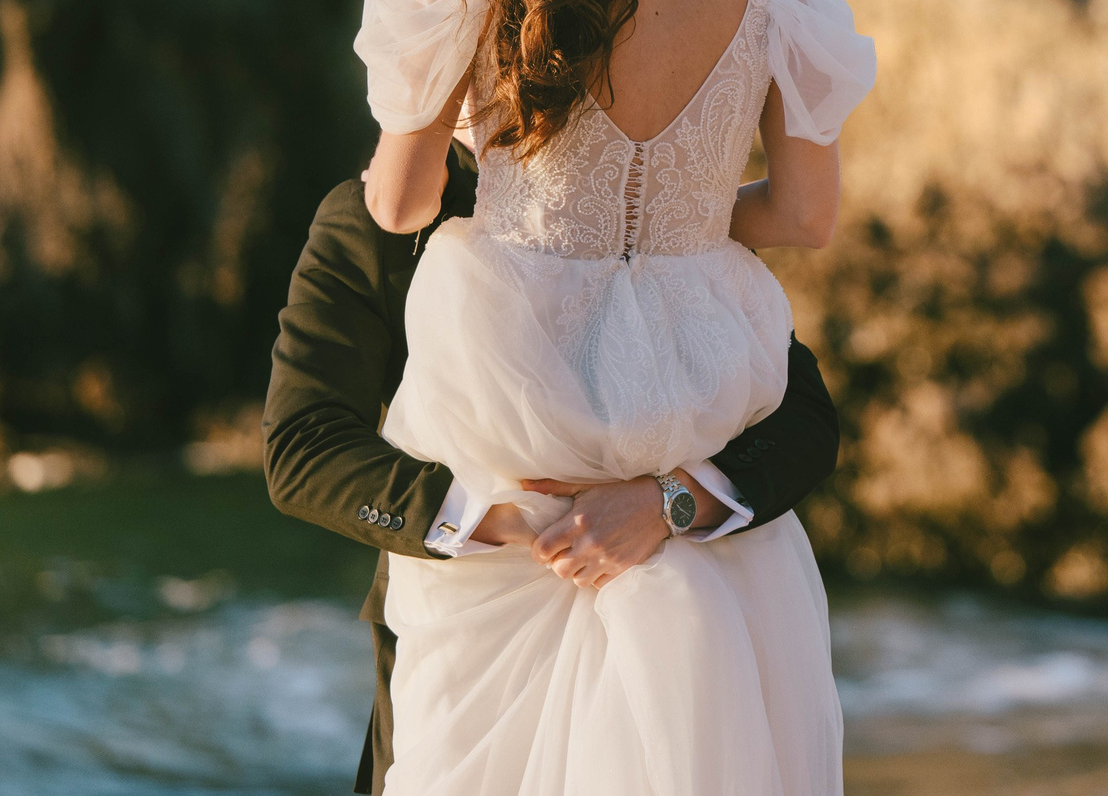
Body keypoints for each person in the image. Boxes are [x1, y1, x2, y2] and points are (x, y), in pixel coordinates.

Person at [284, 0, 875, 795]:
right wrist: (685, 217)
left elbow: (399, 200)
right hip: (696, 389)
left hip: (520, 396)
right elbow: (805, 214)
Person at [259, 146, 841, 793]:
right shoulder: (379, 216)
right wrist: (496, 518)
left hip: (688, 644)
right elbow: (303, 446)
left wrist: (669, 501)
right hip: (463, 647)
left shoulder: (663, 209)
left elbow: (804, 417)